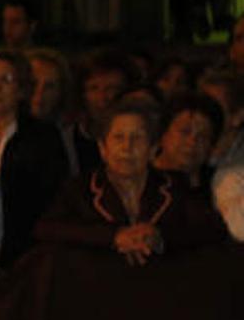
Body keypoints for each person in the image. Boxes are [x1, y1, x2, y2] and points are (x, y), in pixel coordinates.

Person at [35, 99, 227, 263]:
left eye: (137, 138)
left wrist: (160, 237)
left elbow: (212, 230)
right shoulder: (79, 188)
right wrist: (114, 237)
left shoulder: (175, 186)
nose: (127, 148)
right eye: (119, 138)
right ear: (103, 148)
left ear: (153, 149)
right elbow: (47, 228)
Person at [0, 49, 68, 268]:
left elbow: (53, 200)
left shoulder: (43, 137)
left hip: (26, 258)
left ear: (21, 90)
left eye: (6, 80)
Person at [154, 91, 223, 191]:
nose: (192, 142)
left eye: (203, 136)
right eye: (185, 132)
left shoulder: (220, 185)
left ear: (212, 146)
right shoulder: (138, 180)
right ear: (164, 133)